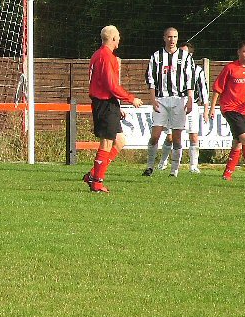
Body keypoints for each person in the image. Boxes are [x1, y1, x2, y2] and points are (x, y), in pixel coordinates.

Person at [83, 25, 143, 193]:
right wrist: (131, 99)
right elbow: (111, 85)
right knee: (107, 142)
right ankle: (97, 183)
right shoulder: (106, 56)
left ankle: (93, 175)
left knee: (119, 141)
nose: (119, 40)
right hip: (104, 103)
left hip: (109, 103)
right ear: (114, 38)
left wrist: (117, 106)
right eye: (118, 37)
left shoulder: (98, 54)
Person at [209, 40, 245, 183]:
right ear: (239, 52)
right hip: (230, 108)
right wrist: (212, 108)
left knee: (238, 142)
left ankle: (227, 174)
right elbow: (217, 88)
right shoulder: (230, 68)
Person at [142, 27, 194, 178]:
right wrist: (153, 99)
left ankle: (174, 170)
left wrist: (190, 100)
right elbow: (151, 80)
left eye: (175, 37)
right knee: (155, 135)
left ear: (178, 39)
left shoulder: (185, 56)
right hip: (161, 99)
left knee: (177, 137)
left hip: (179, 100)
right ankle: (150, 166)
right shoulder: (156, 56)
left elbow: (190, 80)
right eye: (169, 37)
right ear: (164, 38)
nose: (172, 40)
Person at [157, 42, 209, 173]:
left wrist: (206, 110)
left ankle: (193, 166)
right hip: (174, 103)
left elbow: (204, 91)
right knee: (170, 136)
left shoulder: (198, 71)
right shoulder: (170, 68)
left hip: (192, 105)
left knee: (194, 136)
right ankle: (163, 162)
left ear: (190, 55)